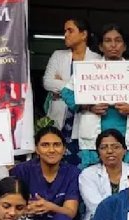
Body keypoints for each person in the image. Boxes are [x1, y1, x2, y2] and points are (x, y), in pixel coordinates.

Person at [61, 23, 129, 168]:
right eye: (108, 41)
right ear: (100, 46)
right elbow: (66, 93)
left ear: (124, 46)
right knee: (93, 182)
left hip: (127, 143)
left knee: (126, 183)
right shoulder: (88, 69)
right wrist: (89, 106)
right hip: (93, 144)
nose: (113, 45)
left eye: (118, 41)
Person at [10, 126, 80, 220]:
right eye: (45, 145)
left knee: (62, 219)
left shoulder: (72, 173)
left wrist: (50, 207)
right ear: (37, 149)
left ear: (64, 149)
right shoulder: (22, 171)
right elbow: (9, 204)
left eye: (57, 145)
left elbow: (70, 211)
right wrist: (25, 208)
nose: (51, 150)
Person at [43, 18, 101, 165]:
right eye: (65, 31)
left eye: (70, 30)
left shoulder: (98, 60)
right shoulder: (58, 55)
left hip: (84, 121)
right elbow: (47, 82)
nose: (66, 35)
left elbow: (97, 91)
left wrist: (62, 88)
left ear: (83, 34)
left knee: (79, 167)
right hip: (59, 119)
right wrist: (82, 87)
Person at [78, 129, 129, 220]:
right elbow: (96, 207)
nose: (110, 151)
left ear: (124, 150)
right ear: (98, 152)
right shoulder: (88, 174)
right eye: (104, 147)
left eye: (115, 147)